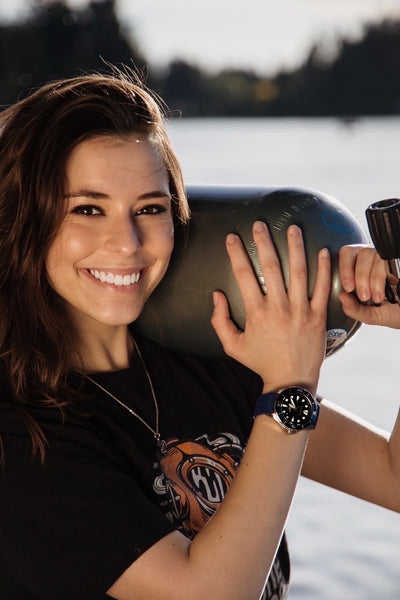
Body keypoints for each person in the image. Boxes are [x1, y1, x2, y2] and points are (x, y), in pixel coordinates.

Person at [0, 69, 397, 600]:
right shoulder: (21, 432)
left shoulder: (207, 360)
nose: (127, 243)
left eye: (150, 208)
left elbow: (391, 477)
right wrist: (289, 391)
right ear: (24, 219)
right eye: (87, 209)